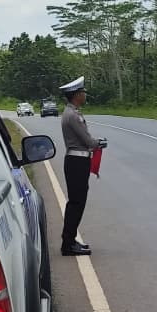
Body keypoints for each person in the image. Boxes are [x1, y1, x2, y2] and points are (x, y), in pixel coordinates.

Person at [58, 76, 107, 256]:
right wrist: (99, 143)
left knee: (76, 202)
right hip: (77, 162)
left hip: (78, 161)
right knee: (76, 203)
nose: (85, 95)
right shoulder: (73, 116)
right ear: (76, 95)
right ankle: (68, 243)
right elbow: (87, 141)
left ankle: (70, 239)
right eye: (83, 93)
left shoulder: (72, 113)